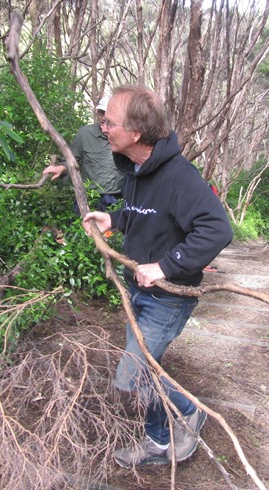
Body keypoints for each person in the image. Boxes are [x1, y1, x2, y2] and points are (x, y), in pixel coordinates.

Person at [82, 85, 233, 468]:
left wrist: (165, 266)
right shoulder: (136, 170)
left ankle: (188, 413)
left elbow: (216, 229)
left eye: (110, 122)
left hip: (169, 295)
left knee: (133, 375)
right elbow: (145, 214)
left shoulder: (179, 176)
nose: (103, 127)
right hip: (139, 291)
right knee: (146, 369)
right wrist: (114, 219)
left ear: (135, 132)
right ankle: (159, 440)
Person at [43, 97, 124, 214]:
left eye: (107, 113)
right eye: (101, 112)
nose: (104, 117)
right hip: (90, 196)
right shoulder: (85, 134)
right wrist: (60, 168)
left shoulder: (124, 134)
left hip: (118, 196)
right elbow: (72, 159)